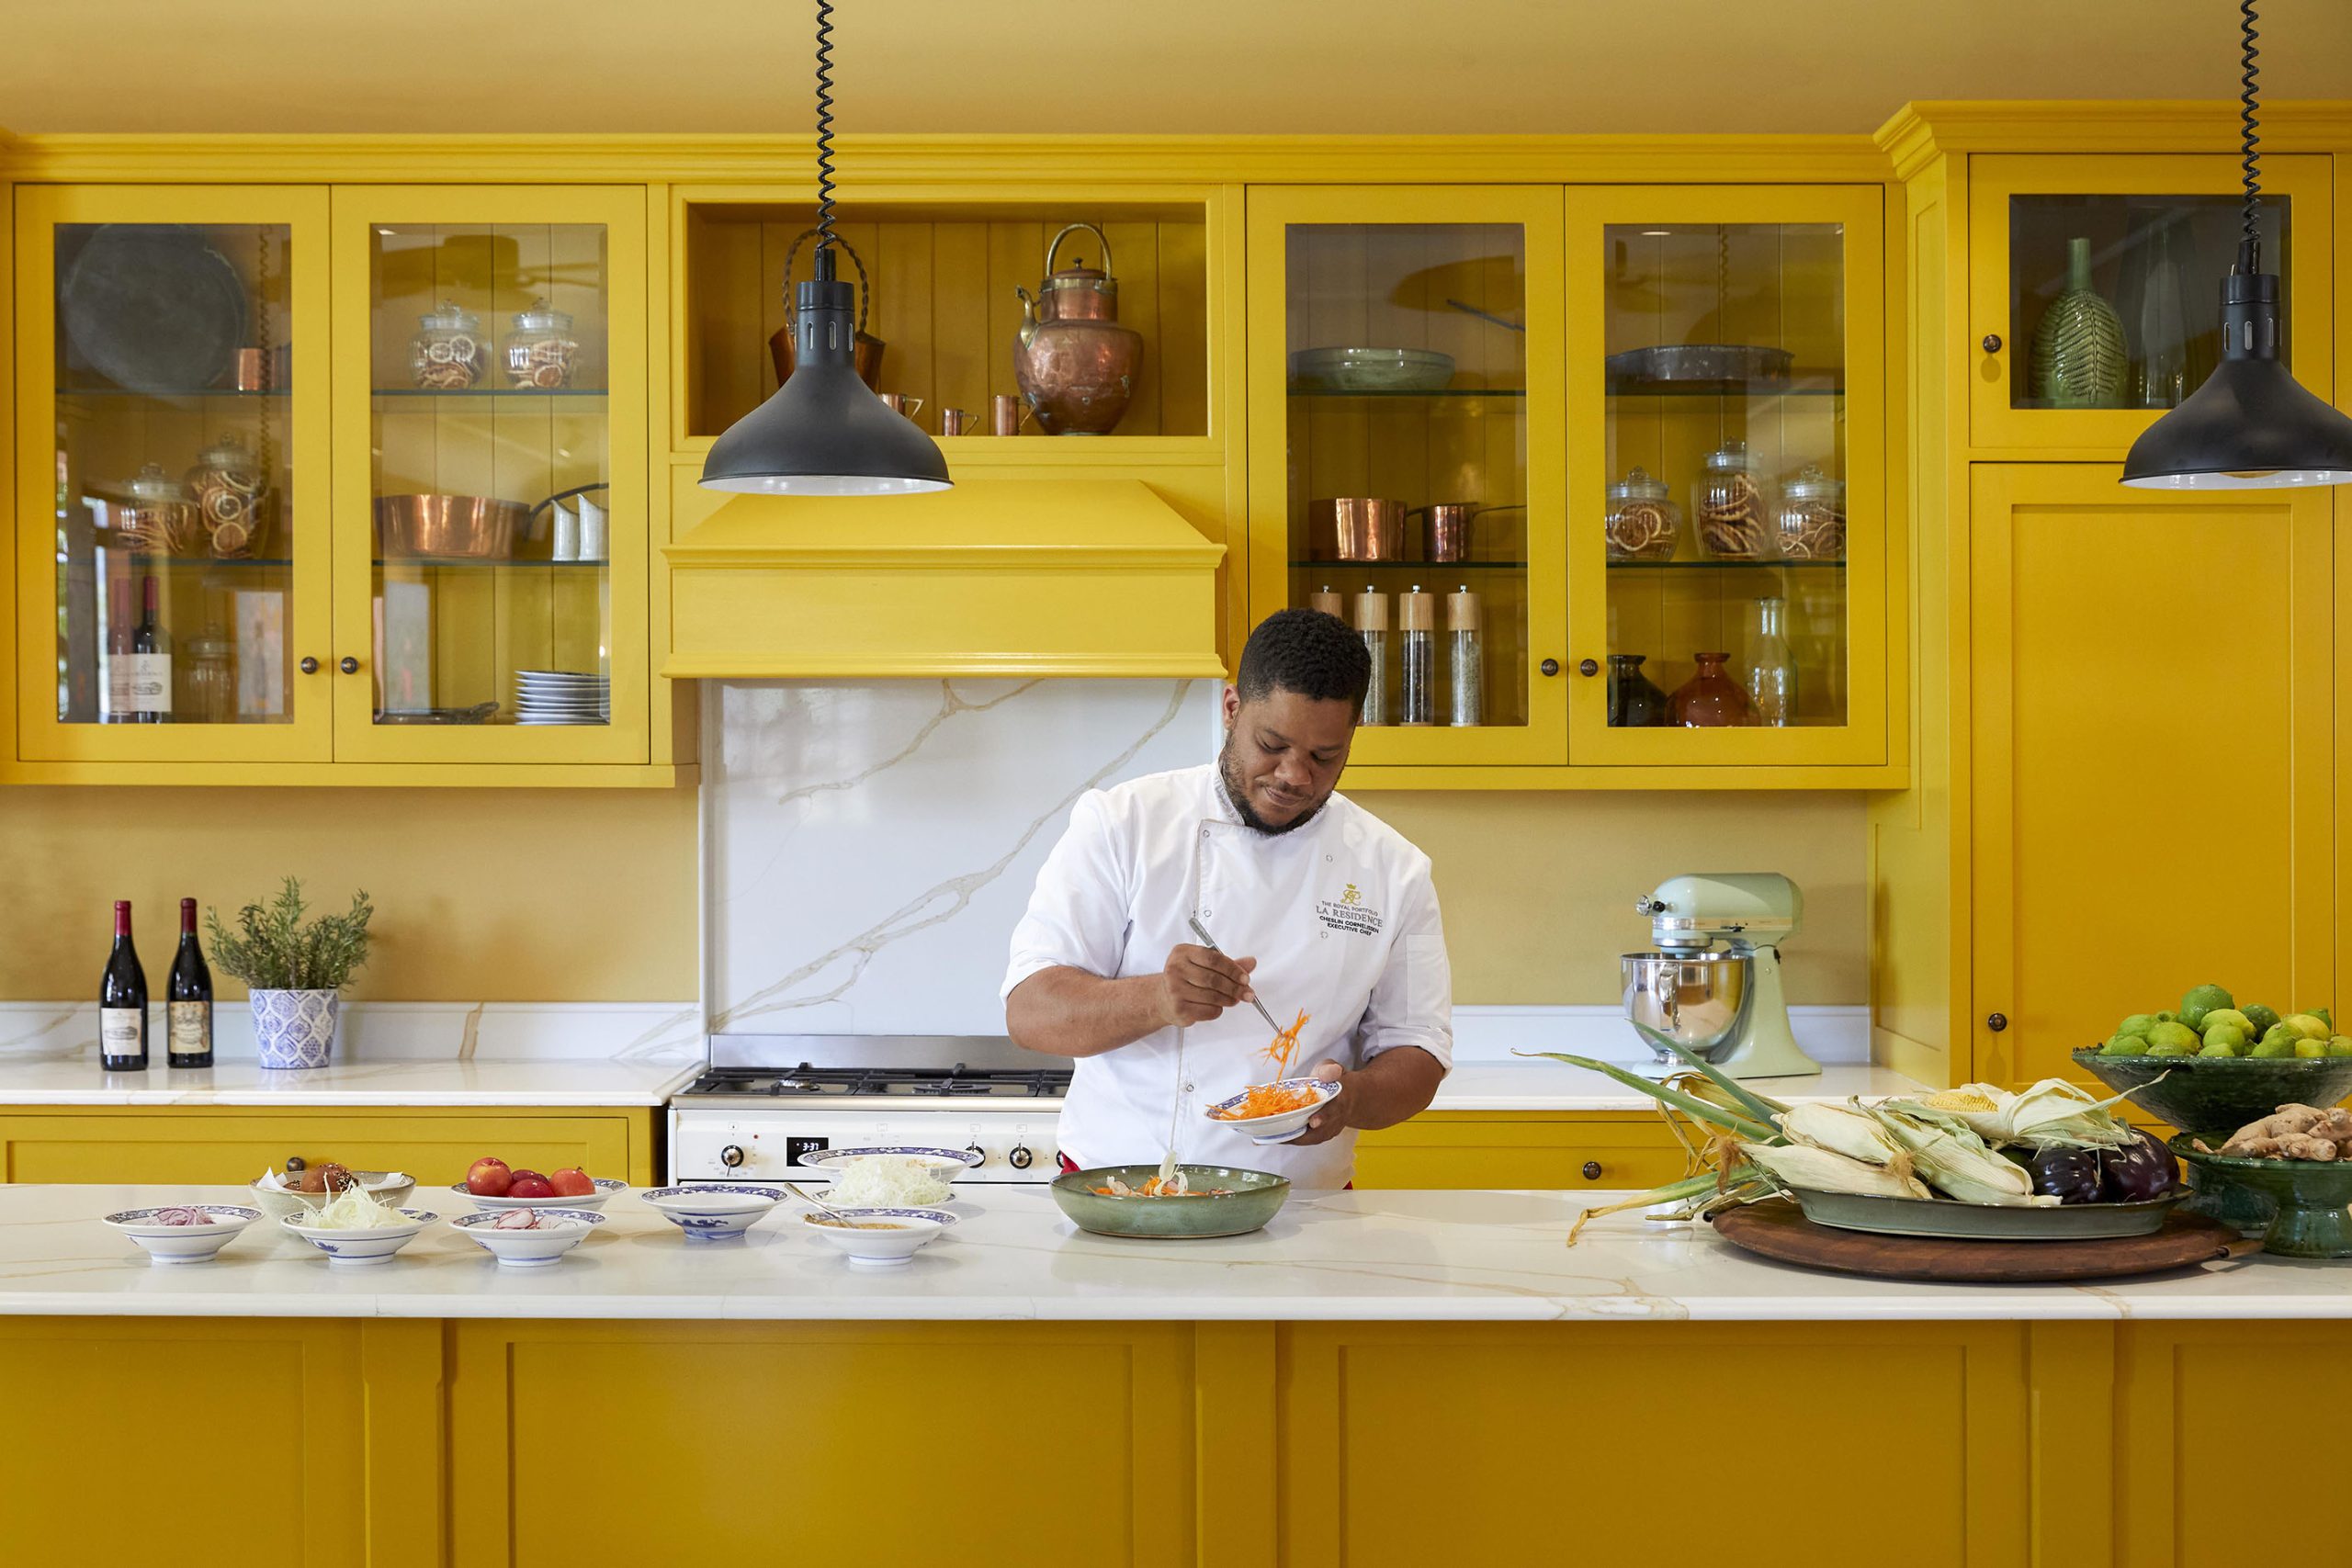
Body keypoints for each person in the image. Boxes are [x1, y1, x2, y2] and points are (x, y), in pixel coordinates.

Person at [1001, 608, 1453, 1189]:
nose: (1295, 775)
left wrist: (1352, 1100)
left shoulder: (1394, 869)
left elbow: (1417, 1051)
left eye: (1324, 756)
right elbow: (1030, 1013)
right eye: (1273, 744)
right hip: (1119, 1194)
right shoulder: (1124, 823)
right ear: (1232, 707)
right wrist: (1156, 999)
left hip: (1303, 1206)